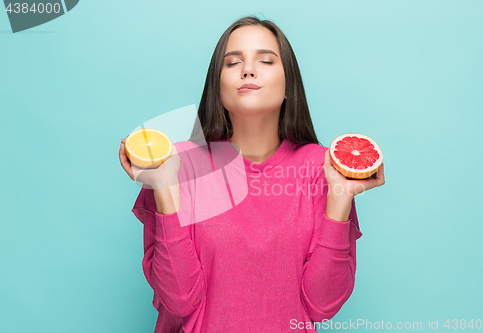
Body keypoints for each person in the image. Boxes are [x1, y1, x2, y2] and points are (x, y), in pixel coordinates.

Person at [119, 15, 385, 333]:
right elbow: (179, 300)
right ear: (217, 88)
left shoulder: (325, 170)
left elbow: (321, 305)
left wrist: (340, 198)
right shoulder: (176, 164)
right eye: (233, 63)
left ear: (289, 86)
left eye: (266, 60)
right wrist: (164, 186)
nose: (247, 70)